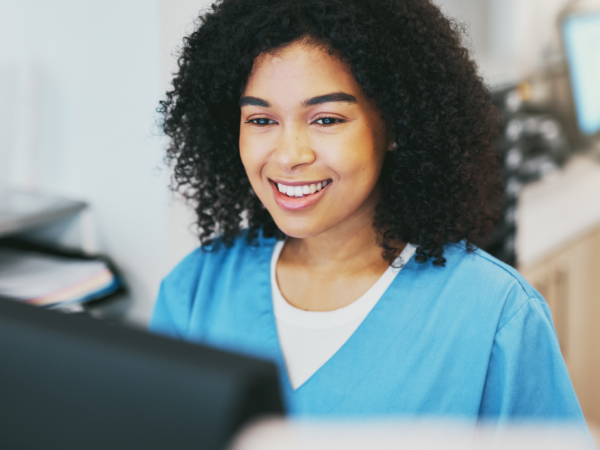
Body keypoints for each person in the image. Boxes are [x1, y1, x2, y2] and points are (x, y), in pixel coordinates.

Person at [150, 0, 586, 426]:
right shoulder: (194, 292)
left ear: (393, 125)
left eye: (326, 119)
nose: (289, 156)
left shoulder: (497, 315)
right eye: (261, 120)